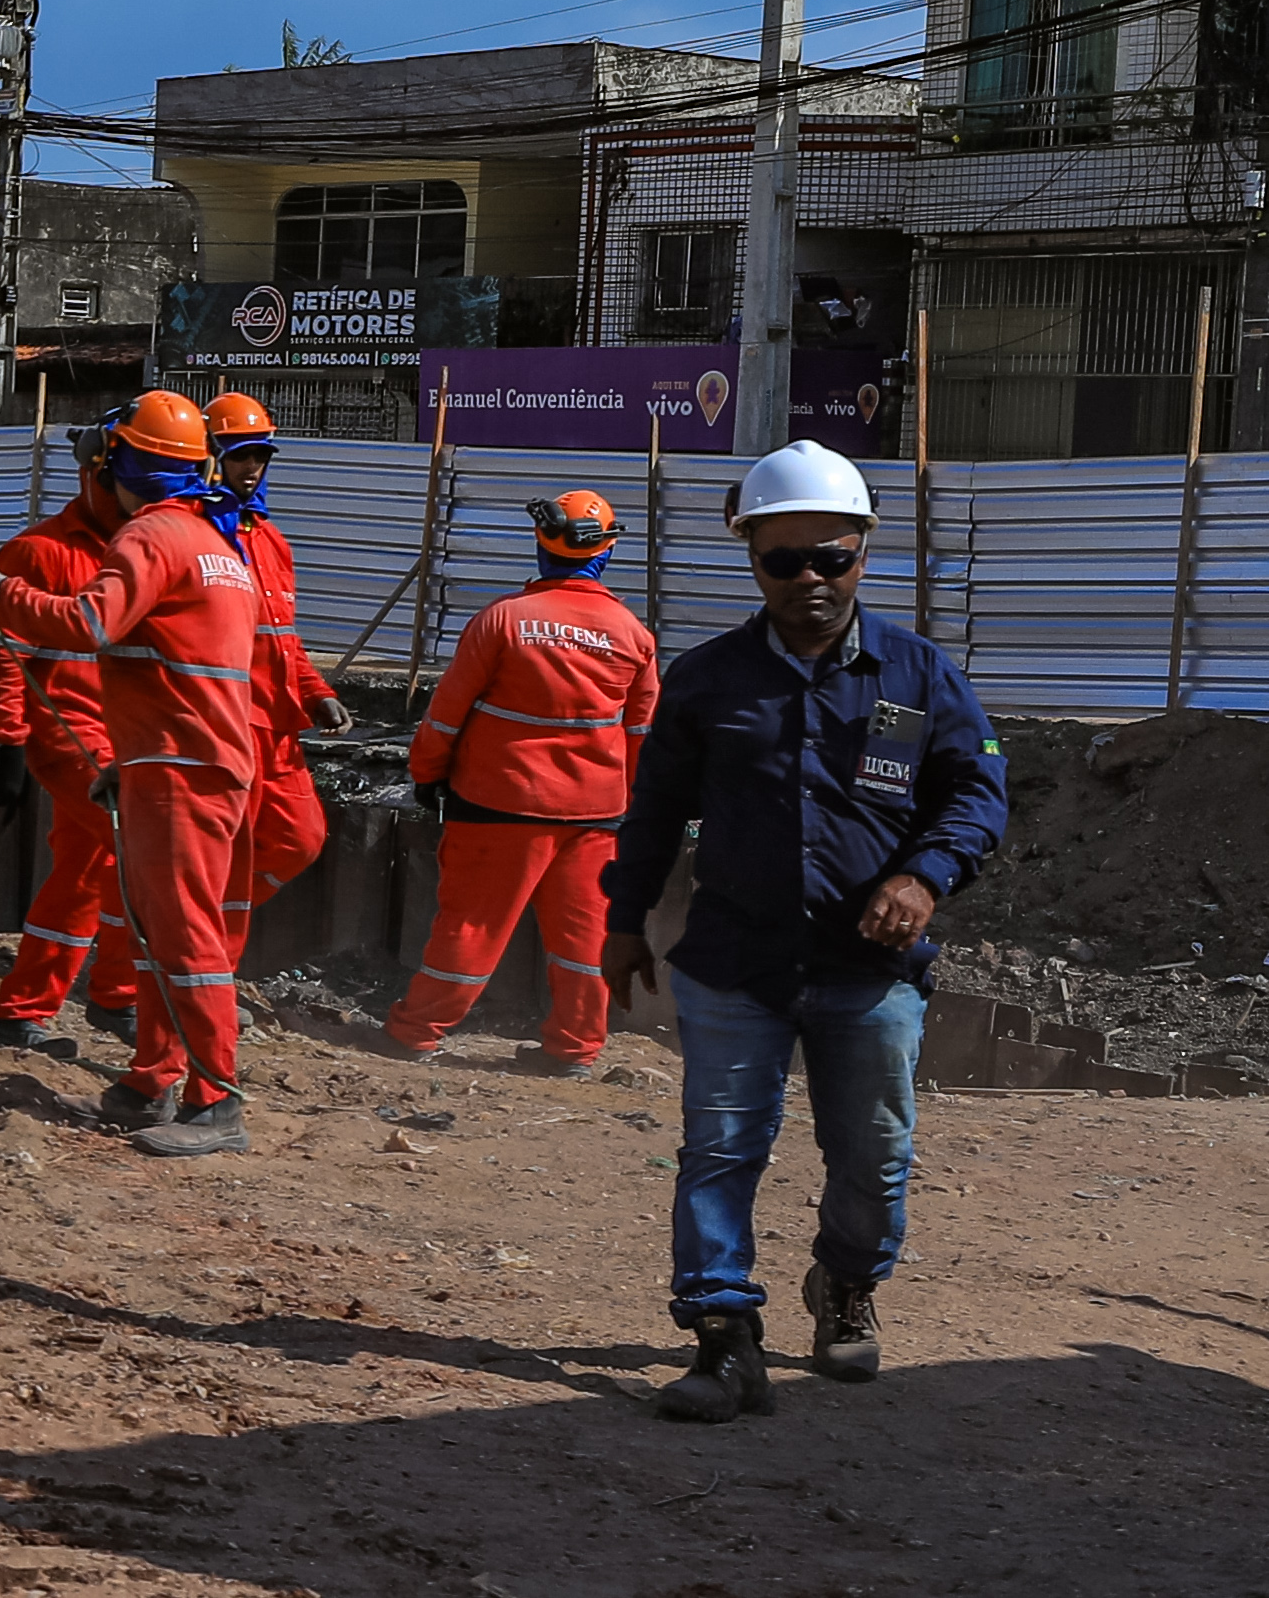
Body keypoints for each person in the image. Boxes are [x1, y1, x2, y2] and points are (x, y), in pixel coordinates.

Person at [601, 439, 1008, 1425]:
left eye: (829, 557)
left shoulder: (917, 676)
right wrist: (622, 923)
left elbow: (978, 793)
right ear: (753, 562)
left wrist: (923, 874)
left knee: (871, 1160)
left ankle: (842, 1283)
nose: (808, 580)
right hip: (733, 961)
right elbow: (652, 812)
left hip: (866, 970)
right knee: (719, 1147)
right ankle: (722, 1336)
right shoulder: (705, 682)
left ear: (863, 550)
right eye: (782, 561)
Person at [0, 388, 262, 1156]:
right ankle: (151, 1075)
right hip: (182, 757)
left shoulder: (152, 534)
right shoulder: (217, 543)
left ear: (123, 463)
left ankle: (214, 1100)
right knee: (157, 931)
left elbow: (85, 624)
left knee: (184, 937)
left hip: (180, 764)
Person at [383, 488, 656, 1071]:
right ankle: (577, 1048)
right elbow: (640, 737)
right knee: (586, 938)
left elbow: (447, 712)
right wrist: (632, 808)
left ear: (542, 548)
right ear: (606, 551)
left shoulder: (503, 621)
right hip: (595, 816)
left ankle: (414, 1033)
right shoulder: (634, 636)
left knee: (472, 925)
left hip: (499, 802)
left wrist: (426, 771)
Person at [0, 417, 128, 1056]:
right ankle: (120, 997)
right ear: (97, 476)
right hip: (69, 732)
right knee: (134, 847)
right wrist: (8, 740)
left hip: (123, 734)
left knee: (88, 869)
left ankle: (23, 1012)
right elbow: (6, 652)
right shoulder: (41, 551)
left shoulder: (144, 551)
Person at [200, 393, 341, 967]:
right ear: (210, 457)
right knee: (228, 859)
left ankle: (191, 930)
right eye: (239, 456)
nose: (252, 467)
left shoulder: (268, 537)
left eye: (259, 455)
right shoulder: (198, 534)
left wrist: (316, 691)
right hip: (229, 723)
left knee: (300, 838)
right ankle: (204, 968)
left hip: (276, 725)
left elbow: (282, 635)